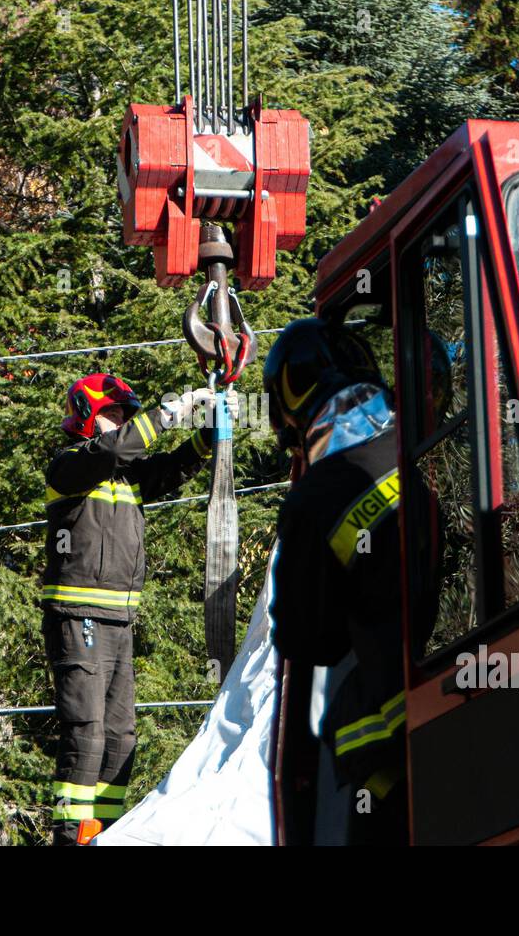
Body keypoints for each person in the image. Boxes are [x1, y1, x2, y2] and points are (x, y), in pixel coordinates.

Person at [263, 318, 432, 844]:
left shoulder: (315, 500)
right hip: (459, 700)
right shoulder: (416, 449)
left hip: (390, 726)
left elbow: (305, 640)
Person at [42, 372, 228, 846]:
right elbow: (113, 451)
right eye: (112, 415)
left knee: (121, 737)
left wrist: (207, 436)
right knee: (87, 734)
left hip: (118, 620)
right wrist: (171, 411)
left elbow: (168, 468)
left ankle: (103, 833)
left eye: (125, 416)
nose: (120, 424)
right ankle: (70, 837)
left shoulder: (124, 476)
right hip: (77, 615)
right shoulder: (69, 465)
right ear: (85, 416)